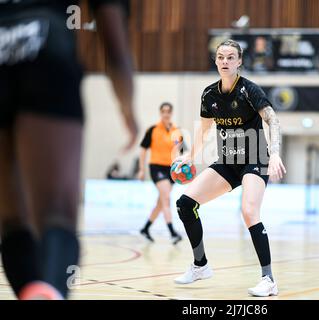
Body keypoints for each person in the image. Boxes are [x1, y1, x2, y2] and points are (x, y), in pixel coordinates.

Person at [0, 0, 137, 300]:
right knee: (57, 216)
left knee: (11, 220)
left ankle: (33, 292)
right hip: (45, 46)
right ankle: (49, 292)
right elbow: (113, 38)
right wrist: (127, 106)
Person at [173, 39, 286, 297]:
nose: (225, 61)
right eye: (221, 57)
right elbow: (203, 131)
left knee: (248, 211)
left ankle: (268, 280)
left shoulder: (249, 90)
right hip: (228, 161)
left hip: (255, 159)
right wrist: (190, 157)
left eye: (230, 57)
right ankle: (200, 265)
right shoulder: (209, 95)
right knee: (185, 203)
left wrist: (276, 153)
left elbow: (273, 121)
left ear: (239, 62)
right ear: (216, 61)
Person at [138, 102, 183, 244]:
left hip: (171, 170)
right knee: (166, 198)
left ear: (171, 113)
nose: (166, 114)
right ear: (160, 113)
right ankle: (172, 232)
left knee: (161, 202)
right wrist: (141, 169)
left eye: (168, 111)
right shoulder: (152, 130)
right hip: (156, 167)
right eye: (163, 111)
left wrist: (180, 169)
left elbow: (180, 152)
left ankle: (145, 229)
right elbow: (143, 150)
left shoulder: (177, 131)